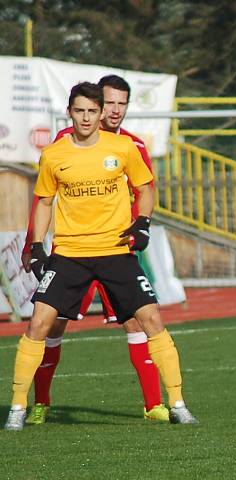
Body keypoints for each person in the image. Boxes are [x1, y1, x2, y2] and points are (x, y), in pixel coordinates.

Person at [4, 82, 198, 431]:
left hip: (115, 252)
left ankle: (175, 403)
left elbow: (145, 189)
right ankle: (22, 407)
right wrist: (36, 244)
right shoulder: (55, 153)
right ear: (71, 112)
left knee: (150, 320)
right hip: (70, 255)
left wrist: (142, 223)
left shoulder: (125, 147)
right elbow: (45, 201)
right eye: (82, 110)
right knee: (40, 324)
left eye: (95, 110)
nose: (90, 117)